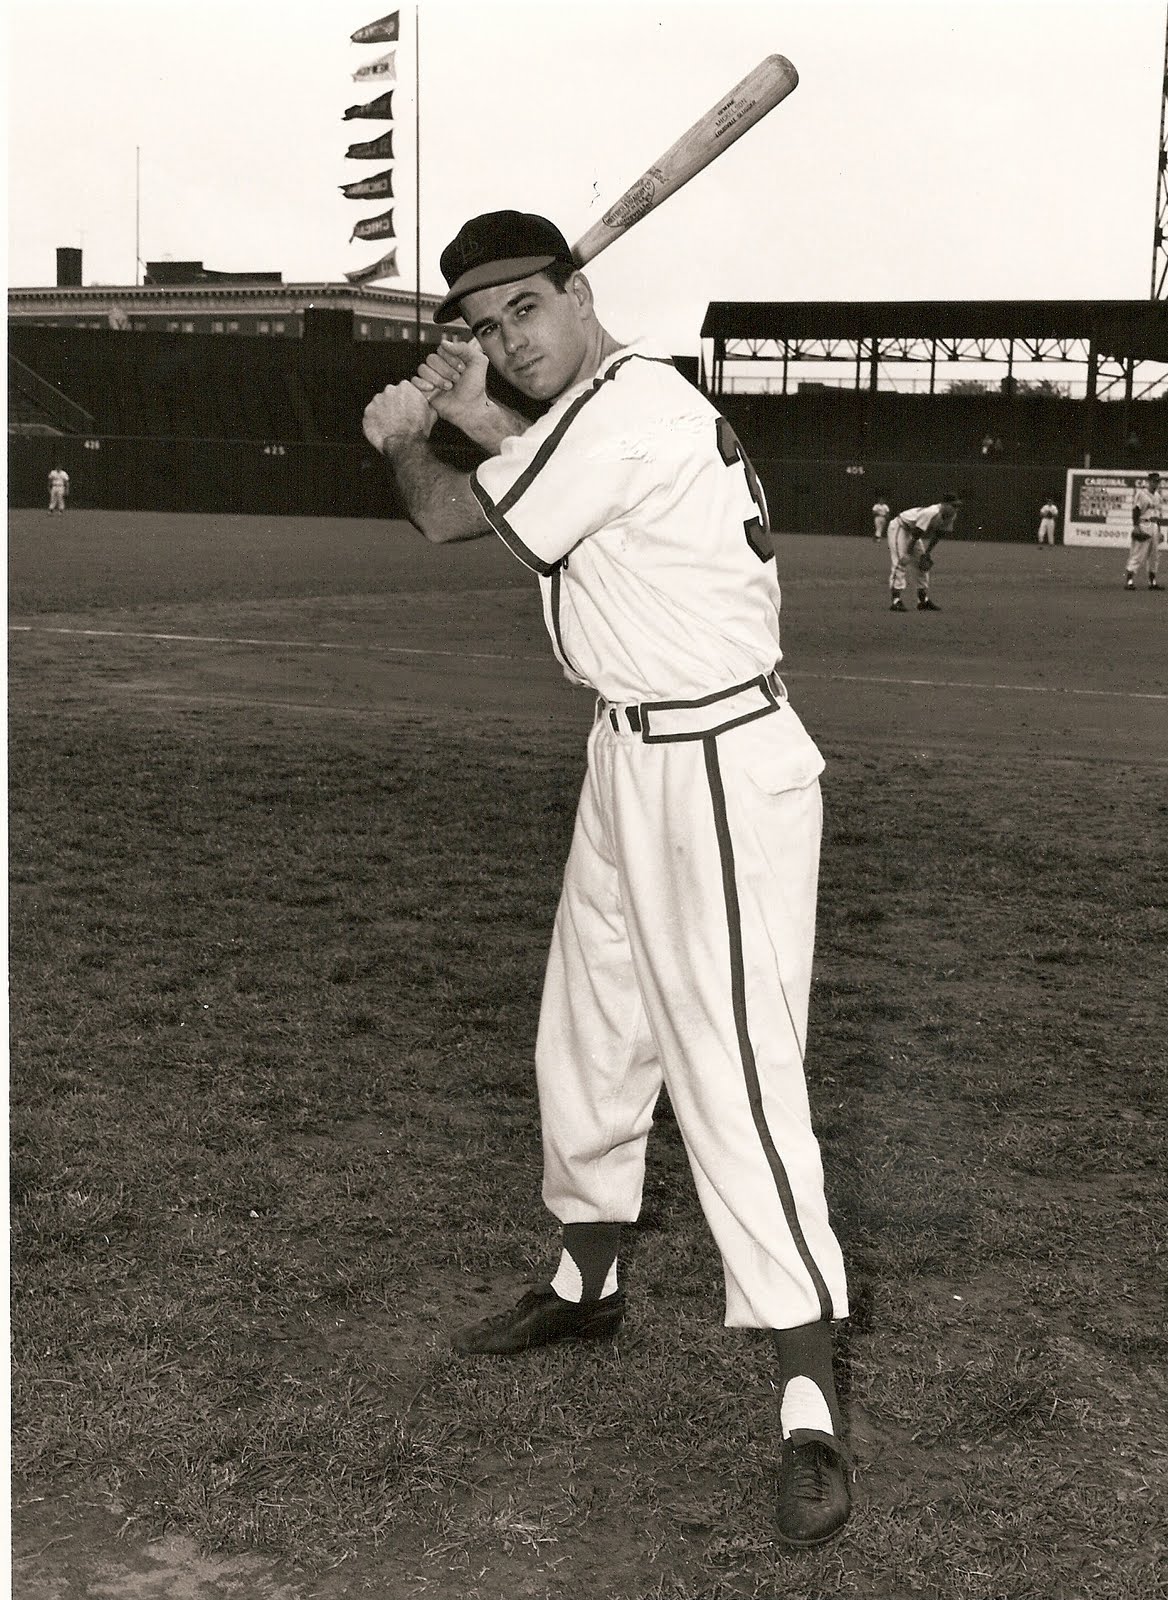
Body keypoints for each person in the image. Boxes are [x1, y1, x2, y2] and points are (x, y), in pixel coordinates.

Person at [361, 210, 852, 1548]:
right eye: (480, 324)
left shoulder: (629, 403)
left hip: (716, 765)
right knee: (590, 1030)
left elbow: (456, 518)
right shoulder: (596, 407)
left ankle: (807, 1398)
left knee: (735, 1073)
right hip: (633, 745)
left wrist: (420, 430)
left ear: (580, 295)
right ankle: (585, 1278)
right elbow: (522, 464)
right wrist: (472, 410)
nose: (508, 337)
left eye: (525, 307)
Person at [887, 494, 961, 611]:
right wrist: (907, 553)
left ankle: (923, 601)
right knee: (901, 562)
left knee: (922, 566)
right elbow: (917, 533)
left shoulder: (951, 515)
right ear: (944, 505)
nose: (956, 509)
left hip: (912, 533)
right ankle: (896, 601)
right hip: (900, 527)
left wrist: (927, 553)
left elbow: (939, 535)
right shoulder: (931, 512)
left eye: (957, 506)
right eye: (954, 506)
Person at [1125, 470, 1164, 590]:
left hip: (1154, 526)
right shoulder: (1141, 494)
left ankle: (1152, 582)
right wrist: (1136, 527)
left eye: (1157, 482)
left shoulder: (1158, 496)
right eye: (1153, 481)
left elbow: (1158, 514)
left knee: (1154, 556)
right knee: (1138, 554)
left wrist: (1160, 531)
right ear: (1148, 482)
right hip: (1144, 524)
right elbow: (1136, 511)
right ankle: (1129, 581)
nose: (1155, 484)